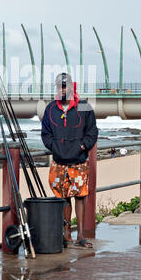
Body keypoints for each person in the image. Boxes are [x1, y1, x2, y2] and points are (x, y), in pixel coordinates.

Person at [41, 72, 98, 248]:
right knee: (63, 197)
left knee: (80, 197)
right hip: (59, 161)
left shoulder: (84, 107)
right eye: (59, 86)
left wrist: (82, 146)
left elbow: (92, 132)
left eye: (65, 86)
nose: (62, 89)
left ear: (72, 87)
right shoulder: (51, 108)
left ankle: (80, 236)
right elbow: (45, 134)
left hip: (79, 162)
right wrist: (55, 147)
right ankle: (66, 234)